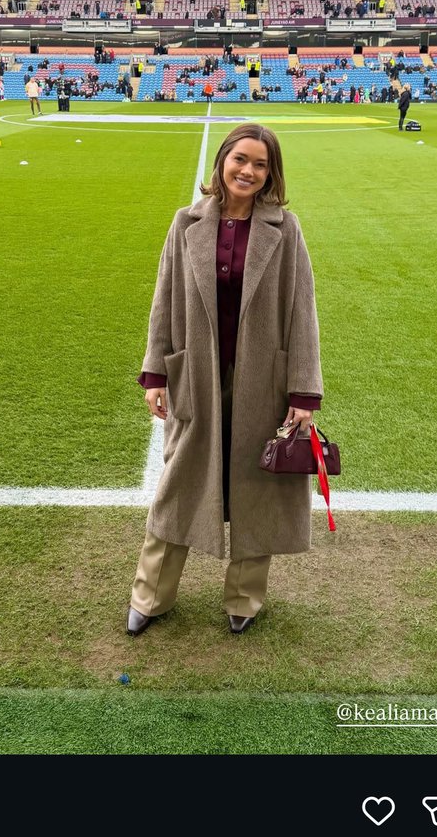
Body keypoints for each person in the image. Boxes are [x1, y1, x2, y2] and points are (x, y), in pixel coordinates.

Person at [128, 123, 324, 637]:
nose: (249, 171)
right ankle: (150, 596)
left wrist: (304, 391)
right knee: (181, 484)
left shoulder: (286, 230)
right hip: (196, 373)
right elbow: (164, 298)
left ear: (270, 173)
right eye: (241, 159)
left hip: (264, 380)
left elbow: (303, 310)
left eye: (261, 164)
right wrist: (154, 371)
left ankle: (244, 598)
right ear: (222, 161)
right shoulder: (185, 222)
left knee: (257, 489)